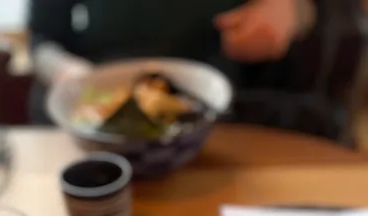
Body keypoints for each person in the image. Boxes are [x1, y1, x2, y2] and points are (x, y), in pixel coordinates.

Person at [27, 0, 353, 141]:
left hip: (228, 121)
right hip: (101, 123)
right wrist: (67, 74)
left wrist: (294, 10)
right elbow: (40, 40)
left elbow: (336, 12)